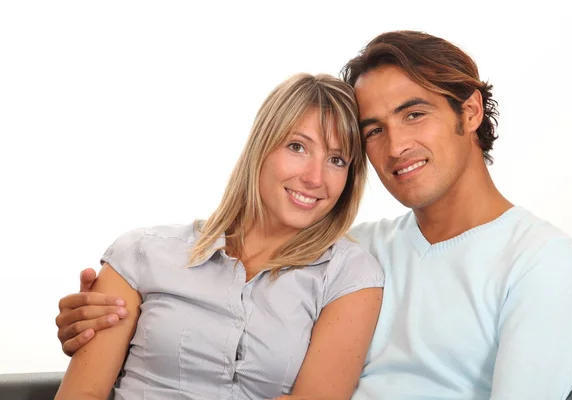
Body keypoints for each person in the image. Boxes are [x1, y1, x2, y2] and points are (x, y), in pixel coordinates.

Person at [55, 31, 572, 399]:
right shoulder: (355, 251)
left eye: (415, 114)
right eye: (375, 130)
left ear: (470, 110)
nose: (396, 145)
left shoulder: (541, 263)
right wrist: (101, 317)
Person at [54, 73, 384, 400]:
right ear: (261, 147)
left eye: (336, 160)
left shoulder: (349, 275)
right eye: (297, 147)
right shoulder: (140, 254)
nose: (315, 178)